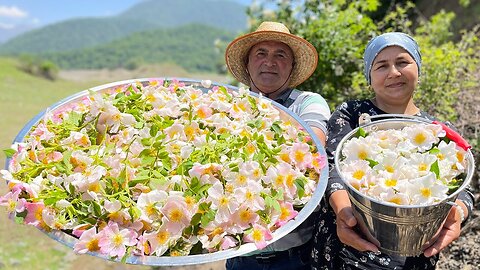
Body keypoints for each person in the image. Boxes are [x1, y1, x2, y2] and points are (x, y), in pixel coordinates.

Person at [311, 32, 475, 270]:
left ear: (418, 68)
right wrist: (345, 214)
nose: (394, 73)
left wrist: (457, 214)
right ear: (369, 76)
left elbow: (463, 187)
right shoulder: (353, 113)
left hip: (411, 256)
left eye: (402, 62)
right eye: (381, 66)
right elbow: (330, 164)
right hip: (346, 251)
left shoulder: (438, 131)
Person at [224, 21, 331, 270]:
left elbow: (312, 147)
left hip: (295, 256)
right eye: (261, 54)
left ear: (291, 66)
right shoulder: (227, 106)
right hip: (241, 256)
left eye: (280, 55)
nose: (269, 62)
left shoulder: (307, 103)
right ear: (248, 65)